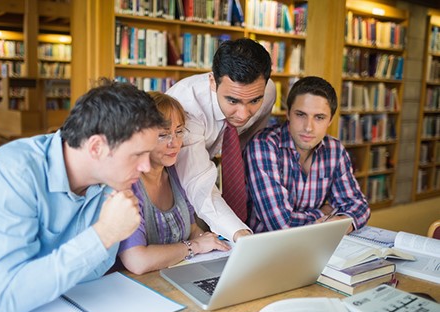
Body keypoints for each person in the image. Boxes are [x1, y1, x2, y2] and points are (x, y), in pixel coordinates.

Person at [0, 79, 166, 312]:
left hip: (57, 308)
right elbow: (7, 300)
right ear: (97, 147)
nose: (146, 166)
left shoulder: (114, 182)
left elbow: (93, 270)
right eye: (138, 155)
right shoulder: (11, 171)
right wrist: (103, 235)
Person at [166, 38, 276, 242]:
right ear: (212, 82)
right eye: (233, 100)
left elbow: (249, 137)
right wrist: (240, 234)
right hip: (171, 176)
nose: (243, 114)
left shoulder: (268, 92)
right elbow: (198, 184)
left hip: (211, 162)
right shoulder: (187, 108)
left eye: (254, 101)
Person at [118, 92, 230, 275]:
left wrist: (216, 245)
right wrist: (194, 246)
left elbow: (192, 229)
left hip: (177, 276)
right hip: (137, 287)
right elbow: (137, 261)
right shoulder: (128, 185)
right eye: (163, 135)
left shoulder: (176, 172)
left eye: (179, 132)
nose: (175, 143)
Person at [245, 76, 370, 234]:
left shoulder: (335, 150)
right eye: (301, 115)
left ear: (330, 120)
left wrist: (344, 220)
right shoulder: (263, 145)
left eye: (319, 117)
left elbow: (359, 205)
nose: (308, 128)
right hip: (267, 247)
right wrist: (325, 212)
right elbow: (281, 224)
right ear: (288, 113)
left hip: (316, 242)